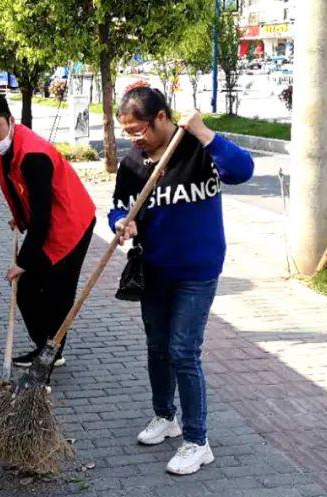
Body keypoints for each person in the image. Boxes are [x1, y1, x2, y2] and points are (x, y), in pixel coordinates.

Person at [110, 86, 253, 475]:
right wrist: (122, 223)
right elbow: (118, 207)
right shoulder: (133, 164)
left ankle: (196, 440)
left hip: (197, 269)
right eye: (128, 131)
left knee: (183, 351)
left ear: (162, 117)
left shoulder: (197, 150)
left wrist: (204, 133)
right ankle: (165, 417)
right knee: (157, 347)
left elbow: (243, 170)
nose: (135, 138)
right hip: (153, 269)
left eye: (139, 129)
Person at [0, 93, 96, 370]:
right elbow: (25, 194)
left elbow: (42, 219)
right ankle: (45, 346)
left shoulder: (32, 155)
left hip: (72, 224)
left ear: (9, 120)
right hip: (50, 220)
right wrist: (20, 218)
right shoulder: (8, 148)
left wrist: (23, 263)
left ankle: (50, 351)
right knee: (26, 285)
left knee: (55, 291)